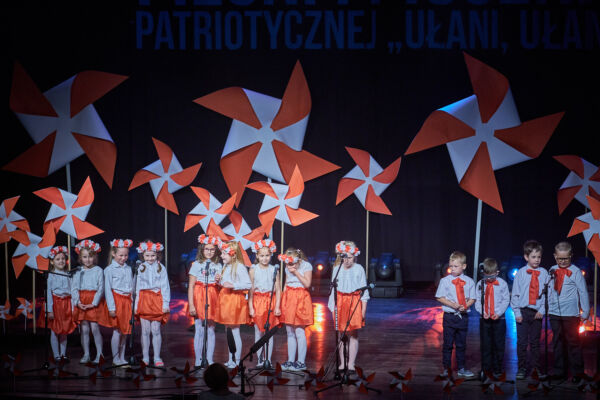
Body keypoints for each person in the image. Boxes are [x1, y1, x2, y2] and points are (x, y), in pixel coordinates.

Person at [548, 241, 589, 384]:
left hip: (571, 314)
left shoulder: (576, 271)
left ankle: (578, 373)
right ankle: (560, 372)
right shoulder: (552, 269)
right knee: (557, 342)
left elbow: (583, 292)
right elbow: (549, 290)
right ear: (555, 256)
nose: (562, 261)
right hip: (555, 313)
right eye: (560, 258)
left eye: (565, 258)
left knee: (573, 343)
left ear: (571, 256)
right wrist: (548, 307)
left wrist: (585, 312)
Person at [327, 241, 369, 373]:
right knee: (341, 333)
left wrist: (363, 310)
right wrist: (332, 307)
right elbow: (333, 290)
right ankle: (342, 363)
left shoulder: (359, 269)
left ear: (354, 256)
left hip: (354, 301)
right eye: (344, 257)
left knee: (353, 334)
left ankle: (351, 363)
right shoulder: (337, 269)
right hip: (340, 302)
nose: (347, 260)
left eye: (350, 257)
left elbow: (364, 291)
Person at [510, 240, 548, 379]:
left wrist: (542, 310)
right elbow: (515, 294)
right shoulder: (520, 273)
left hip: (536, 313)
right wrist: (517, 313)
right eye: (533, 257)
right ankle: (521, 368)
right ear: (526, 257)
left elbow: (547, 294)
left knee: (535, 342)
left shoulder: (544, 273)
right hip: (523, 312)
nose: (537, 259)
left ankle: (536, 368)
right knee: (521, 342)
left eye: (539, 257)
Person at [435, 251, 476, 378]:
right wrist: (452, 305)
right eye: (451, 266)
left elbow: (473, 298)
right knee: (448, 344)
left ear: (463, 266)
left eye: (455, 266)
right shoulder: (445, 281)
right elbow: (439, 297)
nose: (452, 269)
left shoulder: (469, 281)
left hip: (462, 317)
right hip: (449, 317)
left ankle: (461, 368)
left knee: (461, 344)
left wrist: (466, 305)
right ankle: (446, 369)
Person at [72, 240, 110, 364]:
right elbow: (74, 288)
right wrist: (77, 302)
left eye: (90, 256)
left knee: (94, 328)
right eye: (84, 257)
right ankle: (86, 354)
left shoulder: (98, 270)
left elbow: (101, 288)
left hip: (93, 301)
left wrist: (94, 303)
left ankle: (99, 354)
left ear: (94, 257)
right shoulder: (78, 271)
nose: (88, 260)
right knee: (84, 329)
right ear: (80, 258)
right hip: (82, 300)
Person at [134, 240, 170, 367]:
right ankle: (145, 357)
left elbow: (165, 287)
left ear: (157, 255)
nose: (150, 258)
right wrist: (136, 305)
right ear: (143, 255)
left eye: (153, 255)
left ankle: (157, 357)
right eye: (147, 256)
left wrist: (165, 304)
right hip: (144, 299)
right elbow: (137, 288)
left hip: (156, 300)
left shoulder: (161, 268)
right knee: (145, 331)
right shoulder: (140, 268)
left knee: (155, 330)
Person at [188, 234, 222, 368]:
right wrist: (191, 305)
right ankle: (198, 359)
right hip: (199, 296)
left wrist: (219, 281)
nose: (209, 252)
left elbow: (220, 285)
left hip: (212, 296)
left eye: (212, 249)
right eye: (207, 249)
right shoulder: (196, 264)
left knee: (211, 329)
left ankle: (209, 358)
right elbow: (191, 285)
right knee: (199, 329)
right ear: (202, 249)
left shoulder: (218, 265)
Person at [216, 241, 251, 369]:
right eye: (221, 253)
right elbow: (225, 283)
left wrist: (233, 285)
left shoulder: (239, 267)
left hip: (234, 300)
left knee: (235, 331)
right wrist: (219, 282)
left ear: (233, 254)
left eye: (224, 253)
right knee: (228, 331)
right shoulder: (225, 266)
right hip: (225, 299)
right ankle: (231, 358)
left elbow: (248, 284)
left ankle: (236, 360)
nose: (221, 256)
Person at [279, 247, 314, 372]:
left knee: (299, 331)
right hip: (289, 297)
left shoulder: (306, 266)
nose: (289, 266)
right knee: (289, 331)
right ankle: (290, 360)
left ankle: (301, 362)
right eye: (288, 264)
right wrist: (282, 302)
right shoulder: (287, 267)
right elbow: (286, 283)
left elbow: (307, 284)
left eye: (292, 264)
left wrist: (296, 272)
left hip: (301, 297)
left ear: (298, 260)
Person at [249, 239, 281, 368]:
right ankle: (259, 359)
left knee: (269, 332)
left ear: (271, 255)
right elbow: (250, 290)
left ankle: (267, 359)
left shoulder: (274, 269)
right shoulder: (253, 269)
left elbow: (278, 289)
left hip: (270, 301)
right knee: (258, 332)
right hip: (258, 301)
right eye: (261, 256)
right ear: (257, 255)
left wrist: (277, 306)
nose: (264, 258)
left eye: (267, 255)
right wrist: (250, 307)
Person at [475, 258, 510, 377]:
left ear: (497, 273)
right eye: (486, 276)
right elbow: (477, 301)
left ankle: (497, 368)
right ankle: (486, 369)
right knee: (486, 345)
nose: (489, 279)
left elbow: (506, 300)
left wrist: (498, 313)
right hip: (484, 319)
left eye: (492, 276)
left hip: (499, 320)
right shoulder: (480, 284)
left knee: (498, 344)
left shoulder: (502, 284)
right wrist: (482, 312)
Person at [104, 238, 134, 367]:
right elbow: (107, 290)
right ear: (113, 253)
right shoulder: (109, 270)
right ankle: (115, 358)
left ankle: (122, 357)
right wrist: (111, 308)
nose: (123, 258)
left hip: (127, 301)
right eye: (120, 255)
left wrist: (132, 302)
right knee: (117, 331)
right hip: (117, 302)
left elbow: (131, 287)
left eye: (125, 255)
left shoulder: (128, 269)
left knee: (125, 331)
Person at [46, 246, 76, 362]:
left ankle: (63, 354)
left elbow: (72, 292)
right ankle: (56, 354)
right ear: (52, 262)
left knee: (64, 330)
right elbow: (49, 294)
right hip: (56, 304)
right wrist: (50, 310)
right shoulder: (51, 275)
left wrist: (73, 308)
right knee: (54, 330)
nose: (61, 261)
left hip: (66, 304)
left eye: (63, 258)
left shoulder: (68, 274)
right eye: (58, 259)